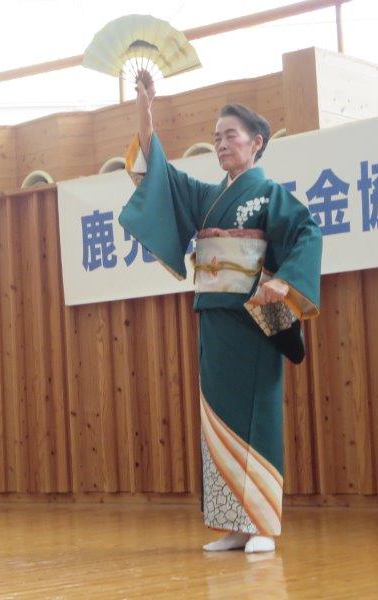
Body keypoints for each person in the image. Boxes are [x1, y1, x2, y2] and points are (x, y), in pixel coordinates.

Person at [119, 71, 323, 554]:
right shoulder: (209, 198)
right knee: (218, 421)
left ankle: (262, 524)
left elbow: (307, 233)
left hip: (251, 319)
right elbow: (160, 174)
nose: (222, 144)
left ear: (257, 143)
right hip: (213, 319)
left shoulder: (270, 196)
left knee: (256, 417)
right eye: (216, 138)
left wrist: (283, 280)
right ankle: (234, 523)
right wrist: (145, 110)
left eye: (231, 135)